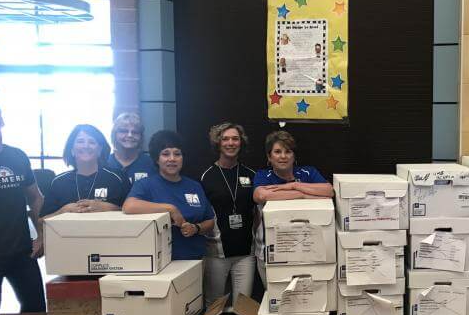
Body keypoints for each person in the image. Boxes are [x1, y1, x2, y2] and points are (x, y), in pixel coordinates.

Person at [0, 100, 46, 313]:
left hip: (22, 252)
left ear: (2, 123)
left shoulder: (17, 156)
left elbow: (36, 197)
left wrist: (41, 235)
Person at [252, 131, 334, 279]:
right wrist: (302, 195)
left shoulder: (307, 172)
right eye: (277, 152)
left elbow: (329, 191)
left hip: (308, 249)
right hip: (270, 251)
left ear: (294, 156)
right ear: (269, 157)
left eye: (288, 151)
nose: (283, 156)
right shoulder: (263, 175)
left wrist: (294, 186)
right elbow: (261, 196)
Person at [123, 130, 215, 261]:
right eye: (165, 154)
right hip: (161, 261)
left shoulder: (194, 186)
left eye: (177, 154)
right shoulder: (146, 184)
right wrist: (170, 209)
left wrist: (196, 228)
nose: (172, 158)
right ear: (157, 159)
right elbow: (128, 206)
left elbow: (210, 221)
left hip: (195, 259)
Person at [200, 123, 256, 303]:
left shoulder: (251, 174)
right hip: (216, 253)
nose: (230, 143)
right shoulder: (206, 176)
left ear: (241, 143)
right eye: (225, 139)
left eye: (235, 139)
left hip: (246, 253)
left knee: (243, 304)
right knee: (214, 305)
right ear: (218, 143)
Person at [40, 125, 128, 219]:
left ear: (99, 150)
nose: (86, 146)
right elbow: (41, 222)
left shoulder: (118, 178)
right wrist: (63, 211)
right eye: (80, 141)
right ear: (72, 150)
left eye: (92, 142)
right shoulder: (58, 182)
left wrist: (110, 208)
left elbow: (133, 214)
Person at [106, 112, 155, 185]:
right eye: (124, 131)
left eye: (135, 132)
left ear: (141, 137)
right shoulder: (104, 163)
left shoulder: (151, 164)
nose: (130, 135)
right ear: (114, 135)